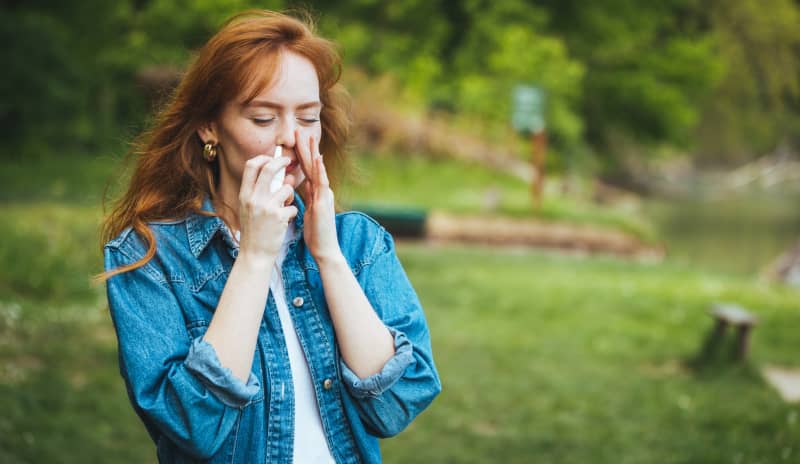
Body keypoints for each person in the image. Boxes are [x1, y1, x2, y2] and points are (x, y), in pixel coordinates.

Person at [100, 10, 441, 464]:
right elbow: (193, 427)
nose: (290, 138)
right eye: (263, 119)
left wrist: (329, 257)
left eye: (308, 117)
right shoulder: (151, 257)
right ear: (209, 126)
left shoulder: (358, 242)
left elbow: (399, 402)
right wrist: (256, 257)